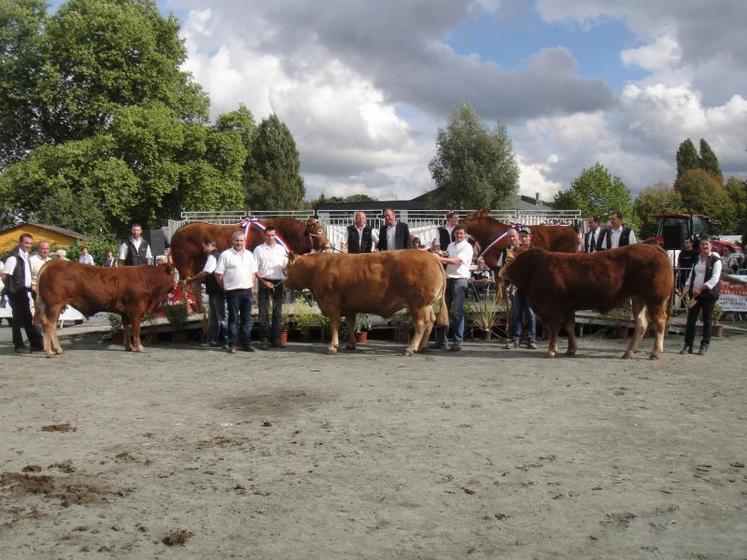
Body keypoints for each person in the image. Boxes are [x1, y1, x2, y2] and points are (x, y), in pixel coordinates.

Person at [215, 230, 258, 353]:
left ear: (245, 241)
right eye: (237, 240)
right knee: (233, 319)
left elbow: (253, 272)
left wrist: (253, 286)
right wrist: (224, 286)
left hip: (247, 290)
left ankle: (246, 343)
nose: (239, 243)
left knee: (246, 318)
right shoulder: (226, 255)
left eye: (241, 240)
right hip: (232, 291)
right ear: (232, 241)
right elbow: (218, 274)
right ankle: (232, 344)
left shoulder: (249, 254)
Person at [434, 225, 474, 351]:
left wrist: (440, 258)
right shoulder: (451, 245)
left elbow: (457, 261)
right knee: (443, 311)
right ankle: (442, 341)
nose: (459, 235)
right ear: (454, 234)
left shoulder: (467, 247)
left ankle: (457, 341)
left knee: (457, 313)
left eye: (461, 233)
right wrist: (441, 254)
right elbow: (448, 256)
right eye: (457, 233)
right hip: (447, 280)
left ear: (465, 234)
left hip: (460, 281)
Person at [1, 233, 43, 353]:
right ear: (20, 242)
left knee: (26, 318)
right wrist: (12, 289)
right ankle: (20, 345)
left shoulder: (26, 256)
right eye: (26, 243)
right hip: (16, 292)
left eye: (30, 243)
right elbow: (5, 275)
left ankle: (34, 344)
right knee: (18, 319)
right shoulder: (13, 257)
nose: (28, 245)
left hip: (24, 291)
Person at [681, 236, 722, 356]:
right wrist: (687, 285)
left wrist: (701, 288)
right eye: (703, 244)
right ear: (699, 246)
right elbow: (692, 273)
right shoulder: (697, 259)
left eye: (707, 244)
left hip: (708, 294)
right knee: (690, 320)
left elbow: (715, 278)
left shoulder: (716, 260)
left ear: (711, 246)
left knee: (707, 320)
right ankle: (688, 345)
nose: (704, 246)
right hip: (695, 294)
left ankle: (704, 345)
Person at [185, 239, 227, 348]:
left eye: (204, 247)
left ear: (209, 245)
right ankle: (216, 339)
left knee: (219, 316)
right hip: (216, 289)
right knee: (216, 316)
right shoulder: (219, 255)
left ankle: (225, 339)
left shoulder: (213, 256)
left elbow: (206, 272)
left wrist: (192, 279)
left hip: (217, 290)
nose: (203, 250)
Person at [253, 226, 289, 349]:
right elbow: (254, 269)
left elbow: (285, 266)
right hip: (264, 280)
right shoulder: (258, 250)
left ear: (275, 235)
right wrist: (262, 282)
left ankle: (275, 338)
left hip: (278, 281)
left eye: (273, 235)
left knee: (277, 312)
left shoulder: (281, 249)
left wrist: (287, 273)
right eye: (268, 235)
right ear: (264, 235)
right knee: (263, 312)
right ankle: (264, 339)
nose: (271, 237)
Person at [506, 228, 538, 349]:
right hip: (517, 286)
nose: (524, 238)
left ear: (530, 237)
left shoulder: (535, 252)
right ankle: (515, 339)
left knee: (530, 313)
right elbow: (508, 269)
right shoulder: (514, 251)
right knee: (516, 313)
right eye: (522, 236)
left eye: (526, 236)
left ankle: (532, 339)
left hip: (530, 287)